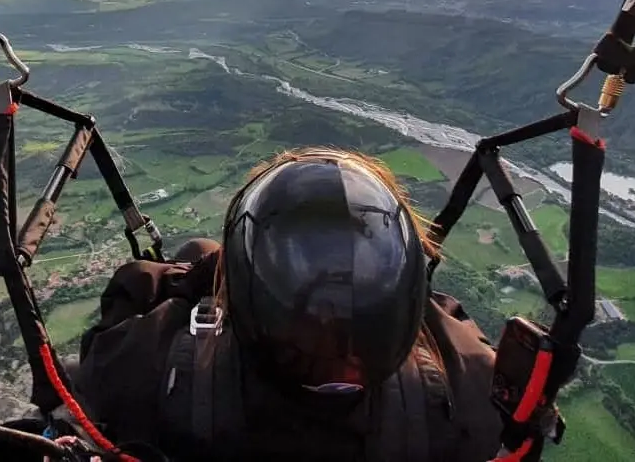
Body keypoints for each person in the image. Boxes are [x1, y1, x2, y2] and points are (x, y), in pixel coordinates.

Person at [72, 146, 505, 462]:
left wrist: (207, 273)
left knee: (193, 248)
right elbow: (444, 320)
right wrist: (388, 286)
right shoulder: (472, 391)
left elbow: (107, 335)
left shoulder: (143, 372)